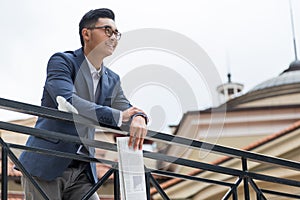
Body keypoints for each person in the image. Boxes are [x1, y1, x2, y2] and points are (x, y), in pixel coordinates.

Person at [19, 8, 148, 200]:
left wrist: (139, 117)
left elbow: (126, 108)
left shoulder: (112, 79)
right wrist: (120, 117)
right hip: (46, 163)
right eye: (107, 30)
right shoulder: (62, 62)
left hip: (83, 170)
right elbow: (67, 102)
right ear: (86, 33)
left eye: (116, 33)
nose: (113, 37)